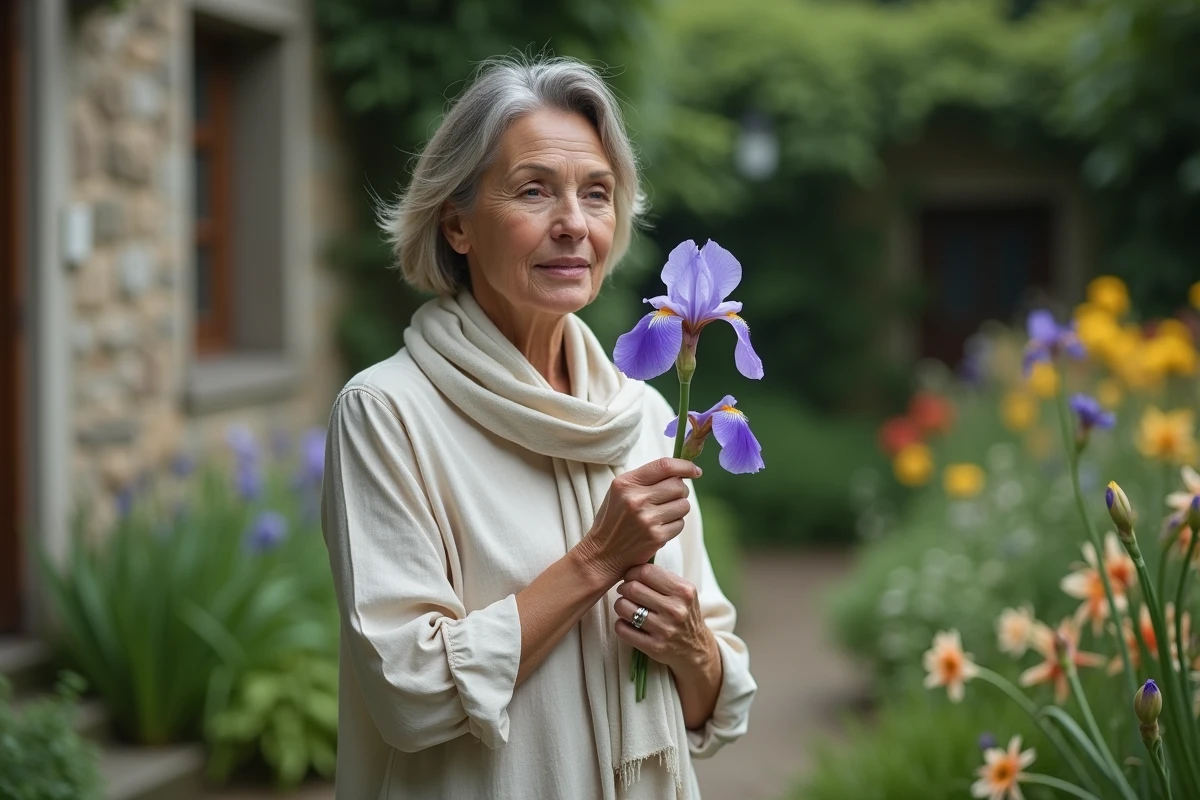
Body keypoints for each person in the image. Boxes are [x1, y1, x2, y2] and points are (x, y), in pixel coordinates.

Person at [321, 55, 756, 800]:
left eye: (597, 194)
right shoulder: (388, 413)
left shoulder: (646, 415)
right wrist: (596, 561)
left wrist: (691, 647)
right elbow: (410, 691)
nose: (574, 225)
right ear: (456, 223)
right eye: (534, 191)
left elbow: (716, 705)